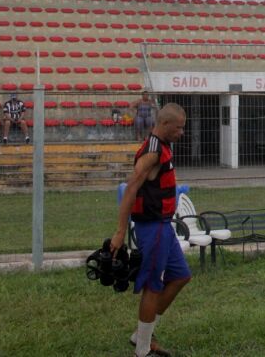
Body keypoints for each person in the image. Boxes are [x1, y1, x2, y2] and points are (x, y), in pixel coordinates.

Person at [111, 103, 189, 357]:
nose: (181, 132)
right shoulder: (152, 152)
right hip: (152, 227)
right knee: (153, 286)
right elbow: (131, 189)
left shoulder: (164, 147)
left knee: (180, 276)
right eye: (179, 128)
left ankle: (141, 335)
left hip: (164, 225)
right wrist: (120, 232)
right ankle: (143, 351)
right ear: (165, 125)